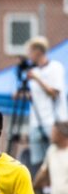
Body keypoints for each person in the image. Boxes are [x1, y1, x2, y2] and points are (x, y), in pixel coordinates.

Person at [23, 36, 68, 167]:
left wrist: (37, 79)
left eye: (30, 52)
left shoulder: (55, 67)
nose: (29, 56)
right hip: (35, 121)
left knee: (56, 159)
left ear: (38, 51)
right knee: (37, 161)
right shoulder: (33, 71)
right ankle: (40, 187)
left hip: (54, 121)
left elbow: (54, 93)